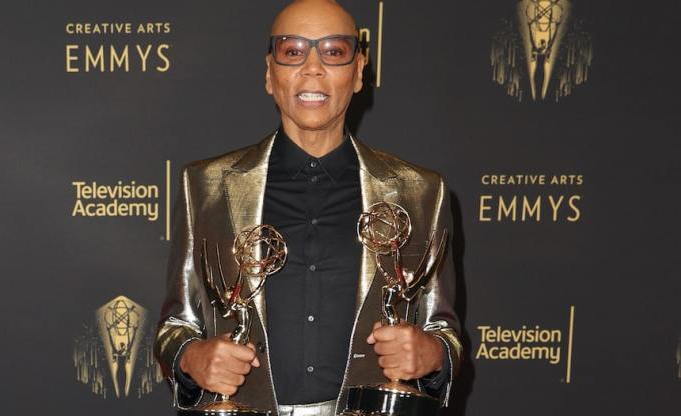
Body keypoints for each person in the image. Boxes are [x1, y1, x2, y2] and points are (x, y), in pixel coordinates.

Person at [153, 1, 462, 415]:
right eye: (293, 51)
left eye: (333, 51)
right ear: (269, 73)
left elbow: (445, 334)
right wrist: (192, 359)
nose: (312, 68)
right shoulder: (206, 186)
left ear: (358, 72)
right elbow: (176, 328)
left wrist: (433, 355)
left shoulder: (421, 192)